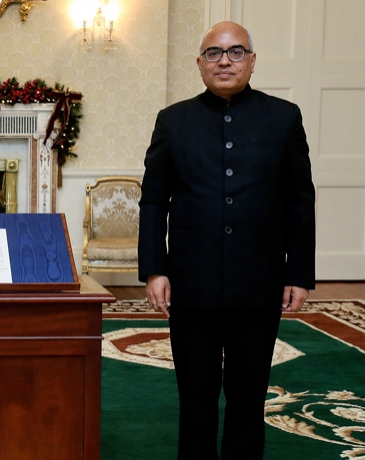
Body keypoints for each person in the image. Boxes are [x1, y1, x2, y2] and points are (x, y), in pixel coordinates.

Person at [137, 21, 315, 460]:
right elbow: (154, 200)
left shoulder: (284, 117)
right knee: (195, 399)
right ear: (199, 64)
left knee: (248, 397)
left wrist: (299, 273)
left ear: (252, 62)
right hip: (190, 282)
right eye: (214, 53)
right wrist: (154, 268)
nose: (225, 61)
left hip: (259, 281)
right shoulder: (173, 121)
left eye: (236, 52)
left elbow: (300, 200)